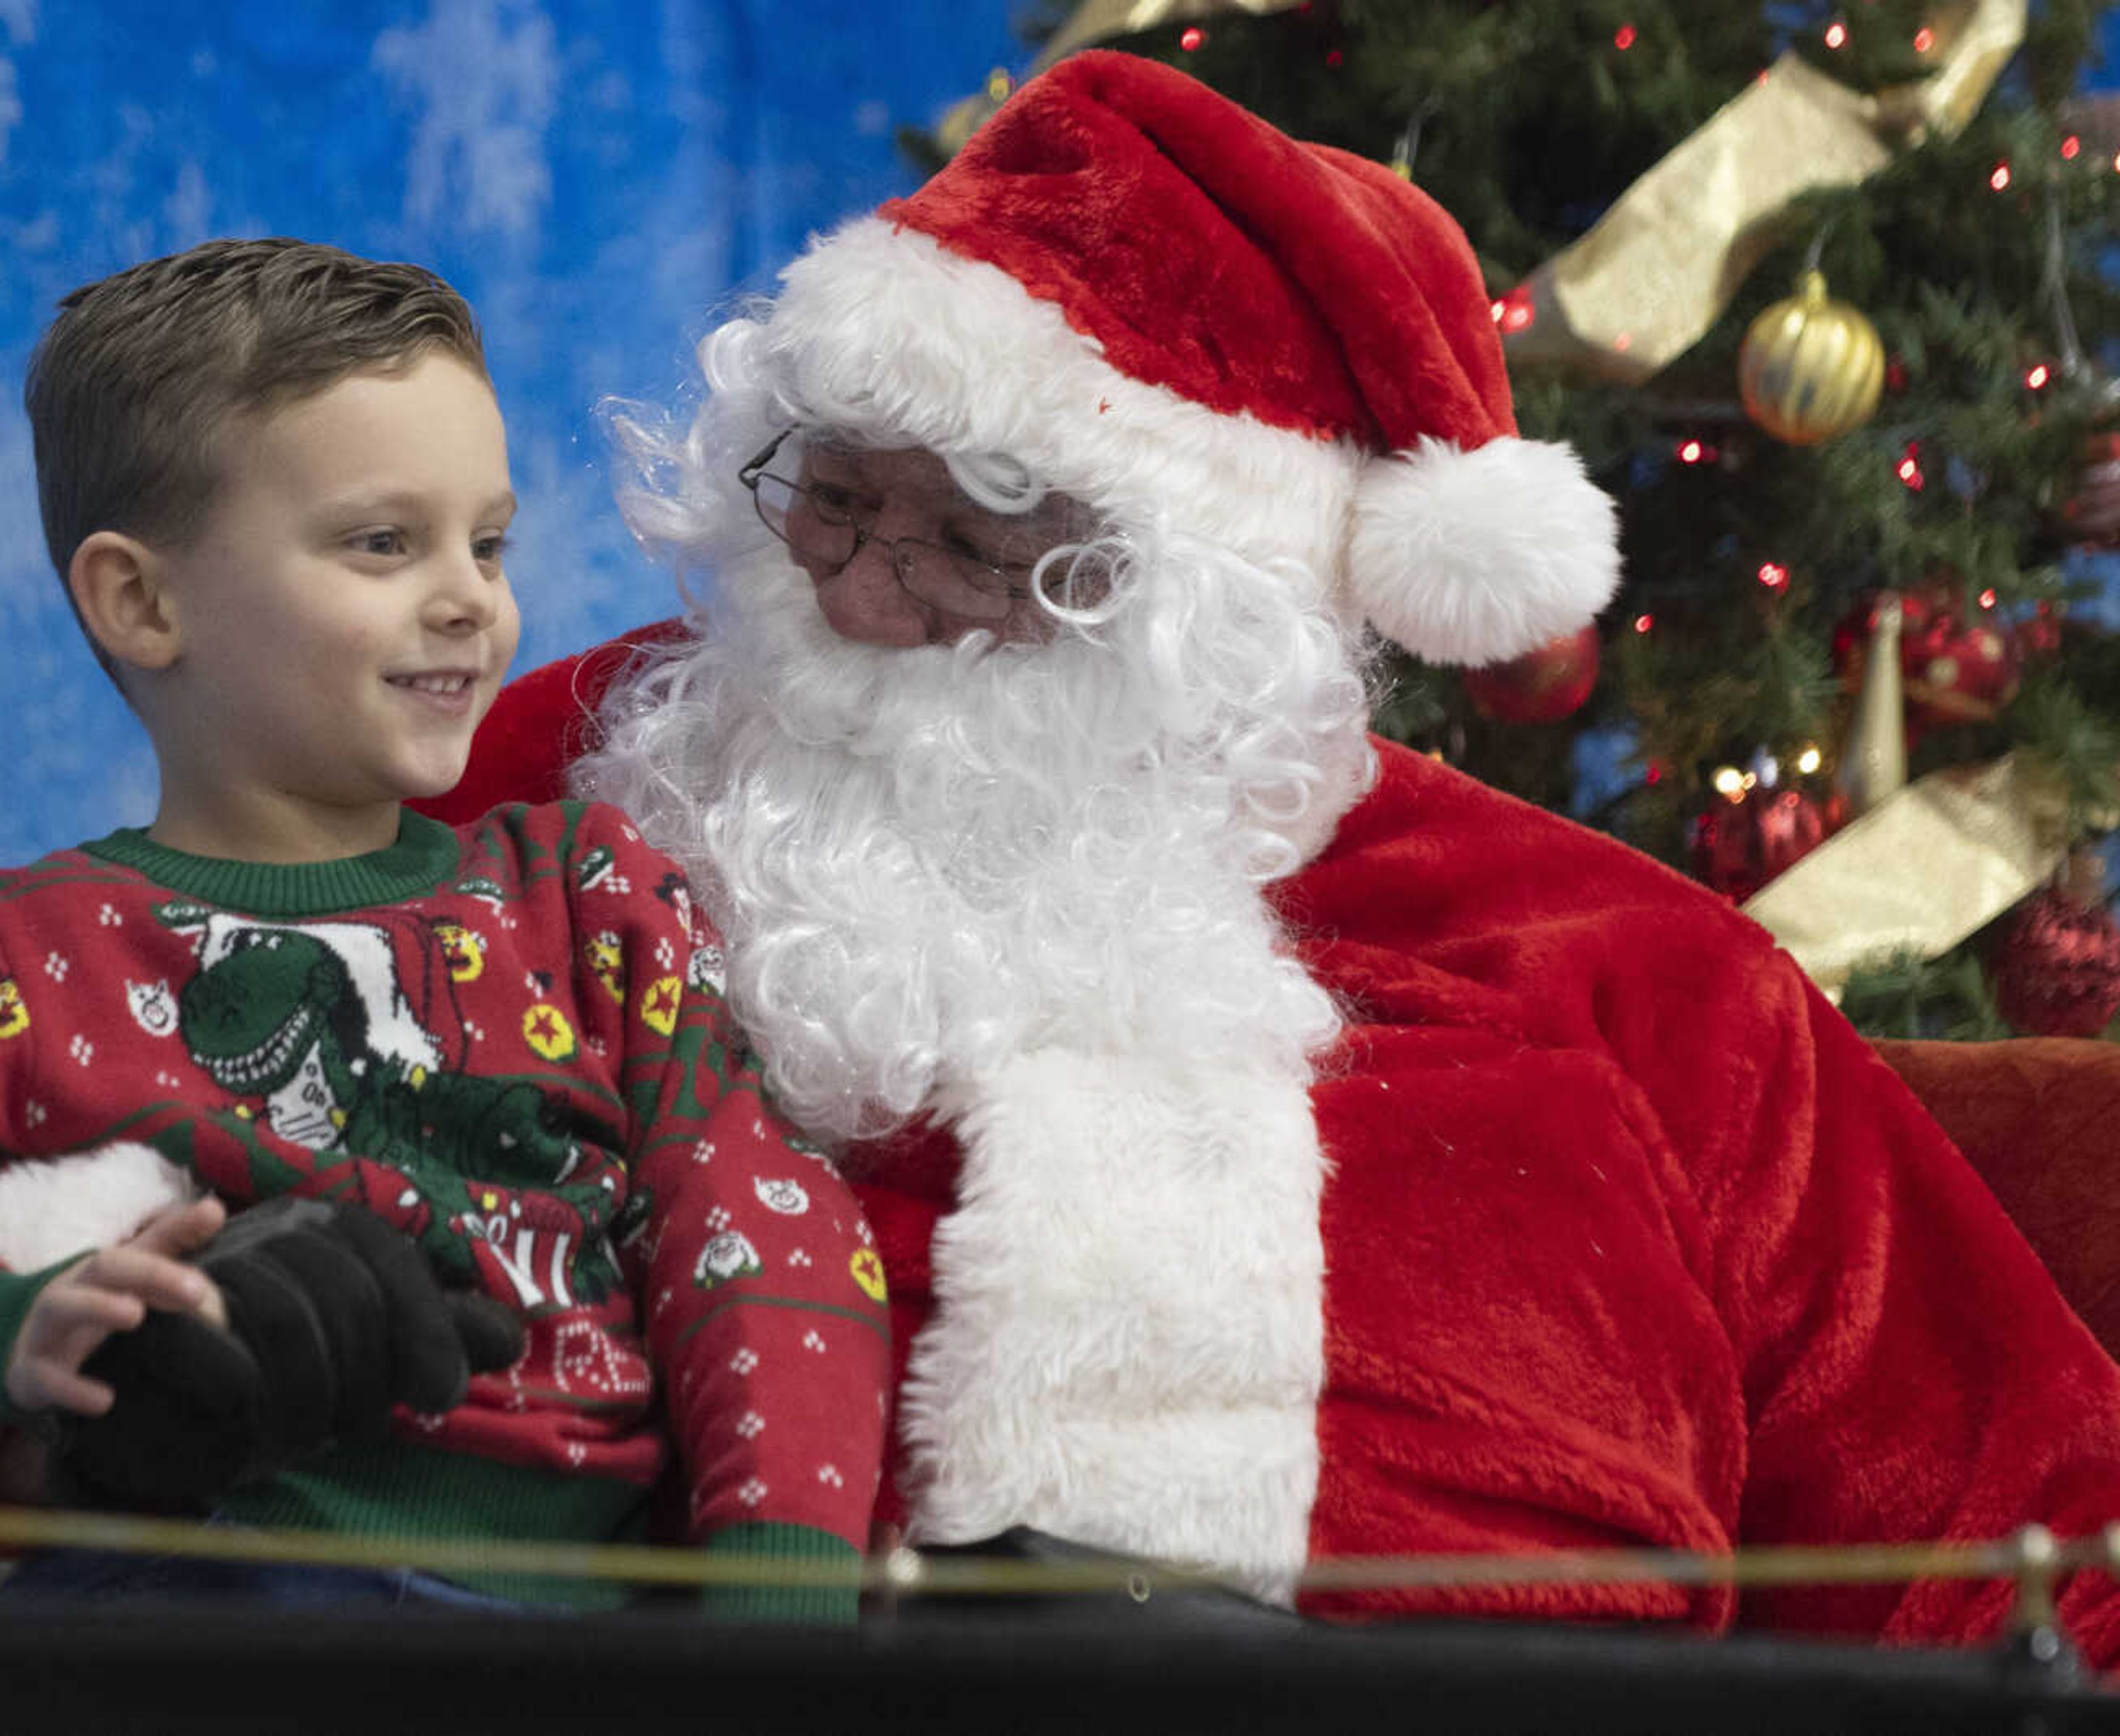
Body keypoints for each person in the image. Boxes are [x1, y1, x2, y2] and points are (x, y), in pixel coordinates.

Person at [419, 52, 2120, 1655]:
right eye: (835, 501)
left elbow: (2018, 1532)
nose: (862, 595)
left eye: (978, 552)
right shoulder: (573, 774)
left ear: (1212, 620)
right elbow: (189, 1015)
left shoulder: (1636, 976)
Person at [0, 238, 889, 1624]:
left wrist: (780, 1607)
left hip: (559, 1630)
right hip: (181, 1604)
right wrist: (22, 1330)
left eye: (487, 542)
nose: (467, 598)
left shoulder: (593, 900)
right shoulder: (12, 949)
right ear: (144, 601)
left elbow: (765, 1239)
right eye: (383, 542)